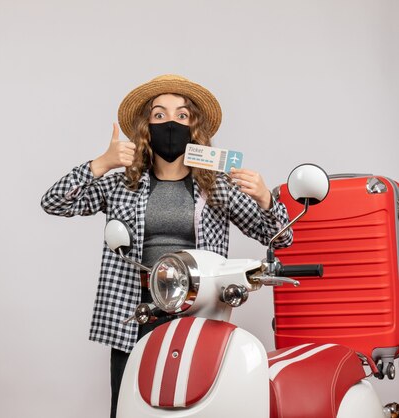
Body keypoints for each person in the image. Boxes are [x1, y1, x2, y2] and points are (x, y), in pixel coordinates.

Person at [40, 74, 293, 418]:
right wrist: (102, 163)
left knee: (199, 407)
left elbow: (280, 237)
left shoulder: (217, 187)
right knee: (129, 408)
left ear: (194, 129)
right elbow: (54, 202)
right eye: (159, 115)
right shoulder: (121, 185)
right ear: (146, 127)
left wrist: (265, 198)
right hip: (135, 311)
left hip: (200, 312)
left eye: (182, 115)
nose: (170, 123)